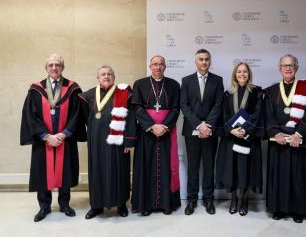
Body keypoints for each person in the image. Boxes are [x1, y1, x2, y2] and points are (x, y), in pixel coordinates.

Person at [20, 54, 86, 222]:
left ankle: (64, 204)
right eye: (51, 65)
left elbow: (77, 114)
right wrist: (46, 135)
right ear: (46, 68)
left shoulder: (72, 88)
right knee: (43, 172)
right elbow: (30, 115)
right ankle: (44, 206)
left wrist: (64, 133)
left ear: (62, 68)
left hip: (66, 138)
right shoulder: (36, 89)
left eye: (57, 65)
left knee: (65, 171)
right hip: (44, 140)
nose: (54, 68)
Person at [264, 54, 306, 223]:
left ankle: (299, 210)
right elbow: (268, 116)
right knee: (278, 176)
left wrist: (298, 134)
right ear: (280, 69)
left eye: (291, 65)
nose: (288, 68)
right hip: (278, 142)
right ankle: (278, 208)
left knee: (299, 177)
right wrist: (276, 133)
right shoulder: (271, 92)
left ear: (297, 68)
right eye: (285, 65)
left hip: (298, 141)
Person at [79, 65, 136, 219]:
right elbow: (86, 117)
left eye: (109, 74)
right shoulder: (89, 95)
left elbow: (131, 118)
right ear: (98, 78)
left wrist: (129, 142)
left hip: (118, 141)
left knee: (120, 171)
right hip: (96, 141)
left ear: (114, 77)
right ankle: (96, 206)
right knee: (97, 172)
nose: (106, 76)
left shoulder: (124, 93)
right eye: (103, 74)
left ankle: (121, 204)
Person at [131, 55, 181, 216]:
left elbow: (176, 109)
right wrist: (152, 126)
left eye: (161, 64)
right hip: (146, 133)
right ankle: (146, 205)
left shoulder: (174, 84)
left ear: (165, 67)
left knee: (167, 166)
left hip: (166, 132)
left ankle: (166, 204)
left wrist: (164, 126)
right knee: (145, 166)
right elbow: (137, 108)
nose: (157, 67)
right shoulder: (140, 84)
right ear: (150, 66)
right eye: (154, 64)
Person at [216, 62, 264, 216]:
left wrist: (245, 130)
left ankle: (244, 199)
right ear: (234, 75)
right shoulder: (228, 94)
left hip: (248, 138)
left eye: (245, 72)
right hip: (231, 138)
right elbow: (224, 116)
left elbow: (258, 115)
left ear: (249, 74)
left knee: (245, 170)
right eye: (239, 72)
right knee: (232, 169)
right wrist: (232, 130)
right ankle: (234, 199)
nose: (242, 74)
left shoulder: (256, 92)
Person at [180, 49, 224, 215]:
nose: (204, 62)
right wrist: (199, 125)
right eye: (201, 59)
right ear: (196, 62)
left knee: (208, 166)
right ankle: (191, 200)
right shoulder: (186, 80)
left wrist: (208, 126)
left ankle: (208, 199)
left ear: (210, 61)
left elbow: (218, 105)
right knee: (192, 166)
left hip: (211, 131)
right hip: (192, 130)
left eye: (206, 59)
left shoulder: (217, 80)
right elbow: (184, 105)